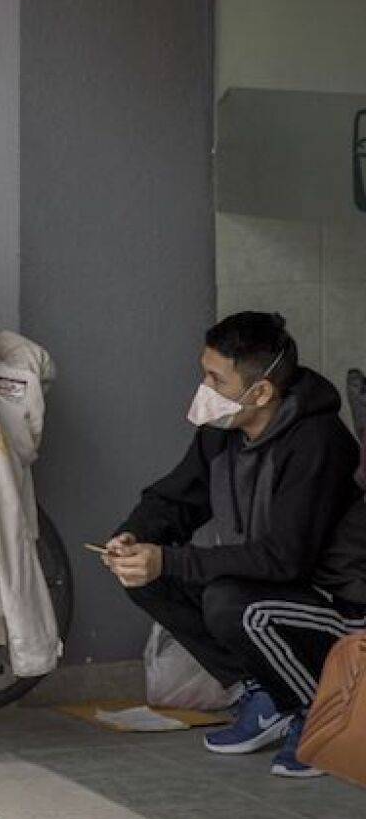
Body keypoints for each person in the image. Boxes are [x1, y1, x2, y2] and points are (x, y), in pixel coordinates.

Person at [102, 312, 365, 778]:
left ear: (260, 392)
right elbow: (173, 498)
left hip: (337, 608)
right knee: (145, 577)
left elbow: (283, 558)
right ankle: (266, 693)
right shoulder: (222, 432)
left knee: (236, 605)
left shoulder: (317, 442)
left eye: (214, 378)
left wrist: (170, 560)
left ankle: (317, 714)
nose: (203, 389)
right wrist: (135, 537)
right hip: (275, 589)